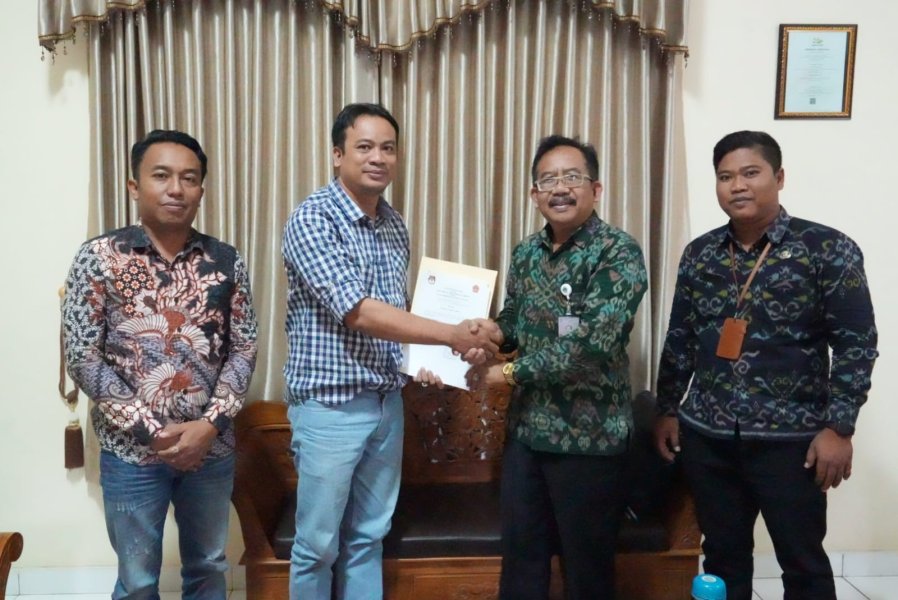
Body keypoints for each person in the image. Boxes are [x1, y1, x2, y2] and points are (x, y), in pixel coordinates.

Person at [281, 102, 500, 600]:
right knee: (317, 546)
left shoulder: (394, 225)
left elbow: (397, 315)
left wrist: (424, 362)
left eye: (388, 148)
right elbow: (357, 311)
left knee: (369, 537)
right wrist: (451, 335)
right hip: (331, 408)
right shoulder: (312, 219)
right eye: (364, 147)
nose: (377, 157)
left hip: (386, 405)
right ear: (337, 155)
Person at [654, 130, 878, 600]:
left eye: (750, 173)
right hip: (710, 436)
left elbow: (856, 343)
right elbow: (680, 339)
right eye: (725, 177)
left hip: (792, 441)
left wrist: (839, 428)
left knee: (802, 562)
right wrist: (668, 409)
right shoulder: (700, 253)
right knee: (721, 559)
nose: (737, 186)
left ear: (779, 177)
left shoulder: (827, 249)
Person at [62, 129, 259, 599]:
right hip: (131, 452)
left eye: (189, 178)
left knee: (209, 567)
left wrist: (209, 426)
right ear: (135, 186)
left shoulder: (226, 260)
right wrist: (152, 431)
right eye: (162, 176)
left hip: (210, 449)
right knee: (137, 582)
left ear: (201, 191)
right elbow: (82, 355)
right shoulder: (99, 258)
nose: (176, 189)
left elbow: (245, 348)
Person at [462, 135, 648, 599]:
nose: (560, 188)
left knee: (587, 572)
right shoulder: (526, 252)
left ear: (596, 189)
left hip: (589, 441)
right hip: (528, 435)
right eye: (548, 180)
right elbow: (515, 318)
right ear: (534, 194)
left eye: (572, 177)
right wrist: (492, 332)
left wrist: (506, 373)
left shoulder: (618, 252)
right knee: (521, 564)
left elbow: (593, 343)